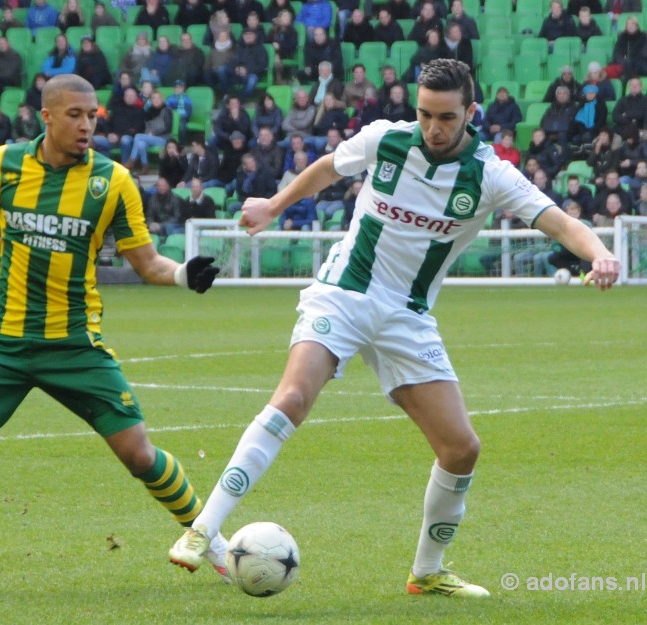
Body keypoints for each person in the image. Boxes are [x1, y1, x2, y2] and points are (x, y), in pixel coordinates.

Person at [168, 58, 621, 597]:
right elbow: (329, 167)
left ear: (470, 113)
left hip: (408, 315)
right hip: (347, 289)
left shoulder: (492, 174)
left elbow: (561, 222)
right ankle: (203, 530)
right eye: (426, 114)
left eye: (447, 117)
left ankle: (427, 572)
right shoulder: (386, 140)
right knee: (292, 396)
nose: (434, 127)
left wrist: (600, 252)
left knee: (461, 448)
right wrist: (273, 204)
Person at [0, 74, 225, 596]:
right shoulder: (0, 165)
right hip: (4, 338)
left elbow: (146, 262)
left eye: (93, 115)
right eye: (75, 115)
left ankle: (207, 538)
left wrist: (182, 274)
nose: (86, 125)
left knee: (139, 454)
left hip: (75, 341)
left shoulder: (113, 181)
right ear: (47, 117)